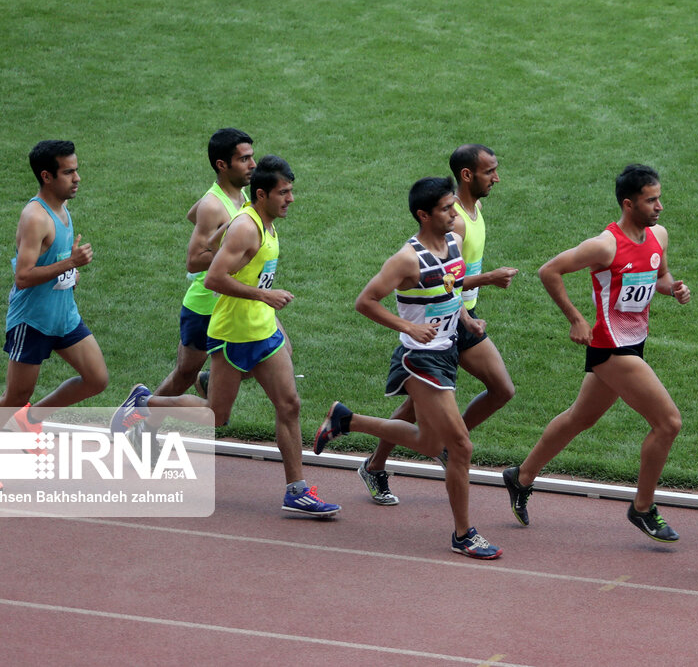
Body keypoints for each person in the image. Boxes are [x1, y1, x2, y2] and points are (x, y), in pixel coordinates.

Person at [111, 155, 339, 517]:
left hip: (263, 329)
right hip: (233, 334)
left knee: (289, 404)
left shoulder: (262, 219)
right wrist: (265, 295)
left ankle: (296, 490)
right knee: (215, 416)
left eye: (291, 191)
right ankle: (145, 404)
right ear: (262, 194)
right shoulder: (247, 227)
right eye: (284, 193)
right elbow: (215, 277)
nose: (291, 199)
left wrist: (267, 309)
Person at [312, 176, 502, 559]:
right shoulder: (406, 259)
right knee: (460, 445)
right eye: (447, 208)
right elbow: (365, 301)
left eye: (454, 206)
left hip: (446, 350)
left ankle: (347, 420)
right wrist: (408, 326)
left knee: (429, 443)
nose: (454, 213)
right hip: (419, 358)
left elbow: (450, 285)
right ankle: (464, 534)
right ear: (423, 214)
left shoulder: (453, 241)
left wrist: (465, 319)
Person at [502, 163, 690, 542]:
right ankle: (642, 508)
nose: (659, 207)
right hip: (610, 347)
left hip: (634, 343)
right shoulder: (605, 245)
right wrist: (575, 318)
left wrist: (673, 289)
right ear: (628, 203)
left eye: (659, 198)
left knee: (578, 419)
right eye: (651, 200)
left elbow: (659, 277)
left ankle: (520, 476)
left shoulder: (659, 236)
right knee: (668, 423)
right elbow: (548, 271)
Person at [357, 145, 518, 506]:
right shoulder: (453, 223)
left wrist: (466, 314)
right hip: (432, 329)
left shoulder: (470, 216)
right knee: (417, 407)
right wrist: (488, 279)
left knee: (501, 389)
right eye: (489, 171)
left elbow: (452, 280)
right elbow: (431, 280)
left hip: (460, 319)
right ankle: (377, 463)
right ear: (467, 175)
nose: (496, 177)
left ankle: (445, 439)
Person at [0, 141, 109, 492]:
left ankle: (32, 418)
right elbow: (23, 276)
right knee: (15, 394)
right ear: (47, 175)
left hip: (64, 316)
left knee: (96, 379)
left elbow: (50, 265)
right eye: (69, 172)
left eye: (76, 169)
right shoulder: (35, 216)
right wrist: (69, 263)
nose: (77, 178)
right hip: (33, 321)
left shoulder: (63, 207)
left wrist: (68, 273)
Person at [153, 128, 255, 401]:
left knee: (273, 355)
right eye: (244, 159)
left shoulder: (238, 195)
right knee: (184, 375)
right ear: (222, 165)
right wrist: (240, 254)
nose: (253, 165)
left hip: (232, 297)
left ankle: (211, 379)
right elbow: (194, 261)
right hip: (207, 304)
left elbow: (192, 214)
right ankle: (141, 410)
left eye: (251, 157)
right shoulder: (213, 205)